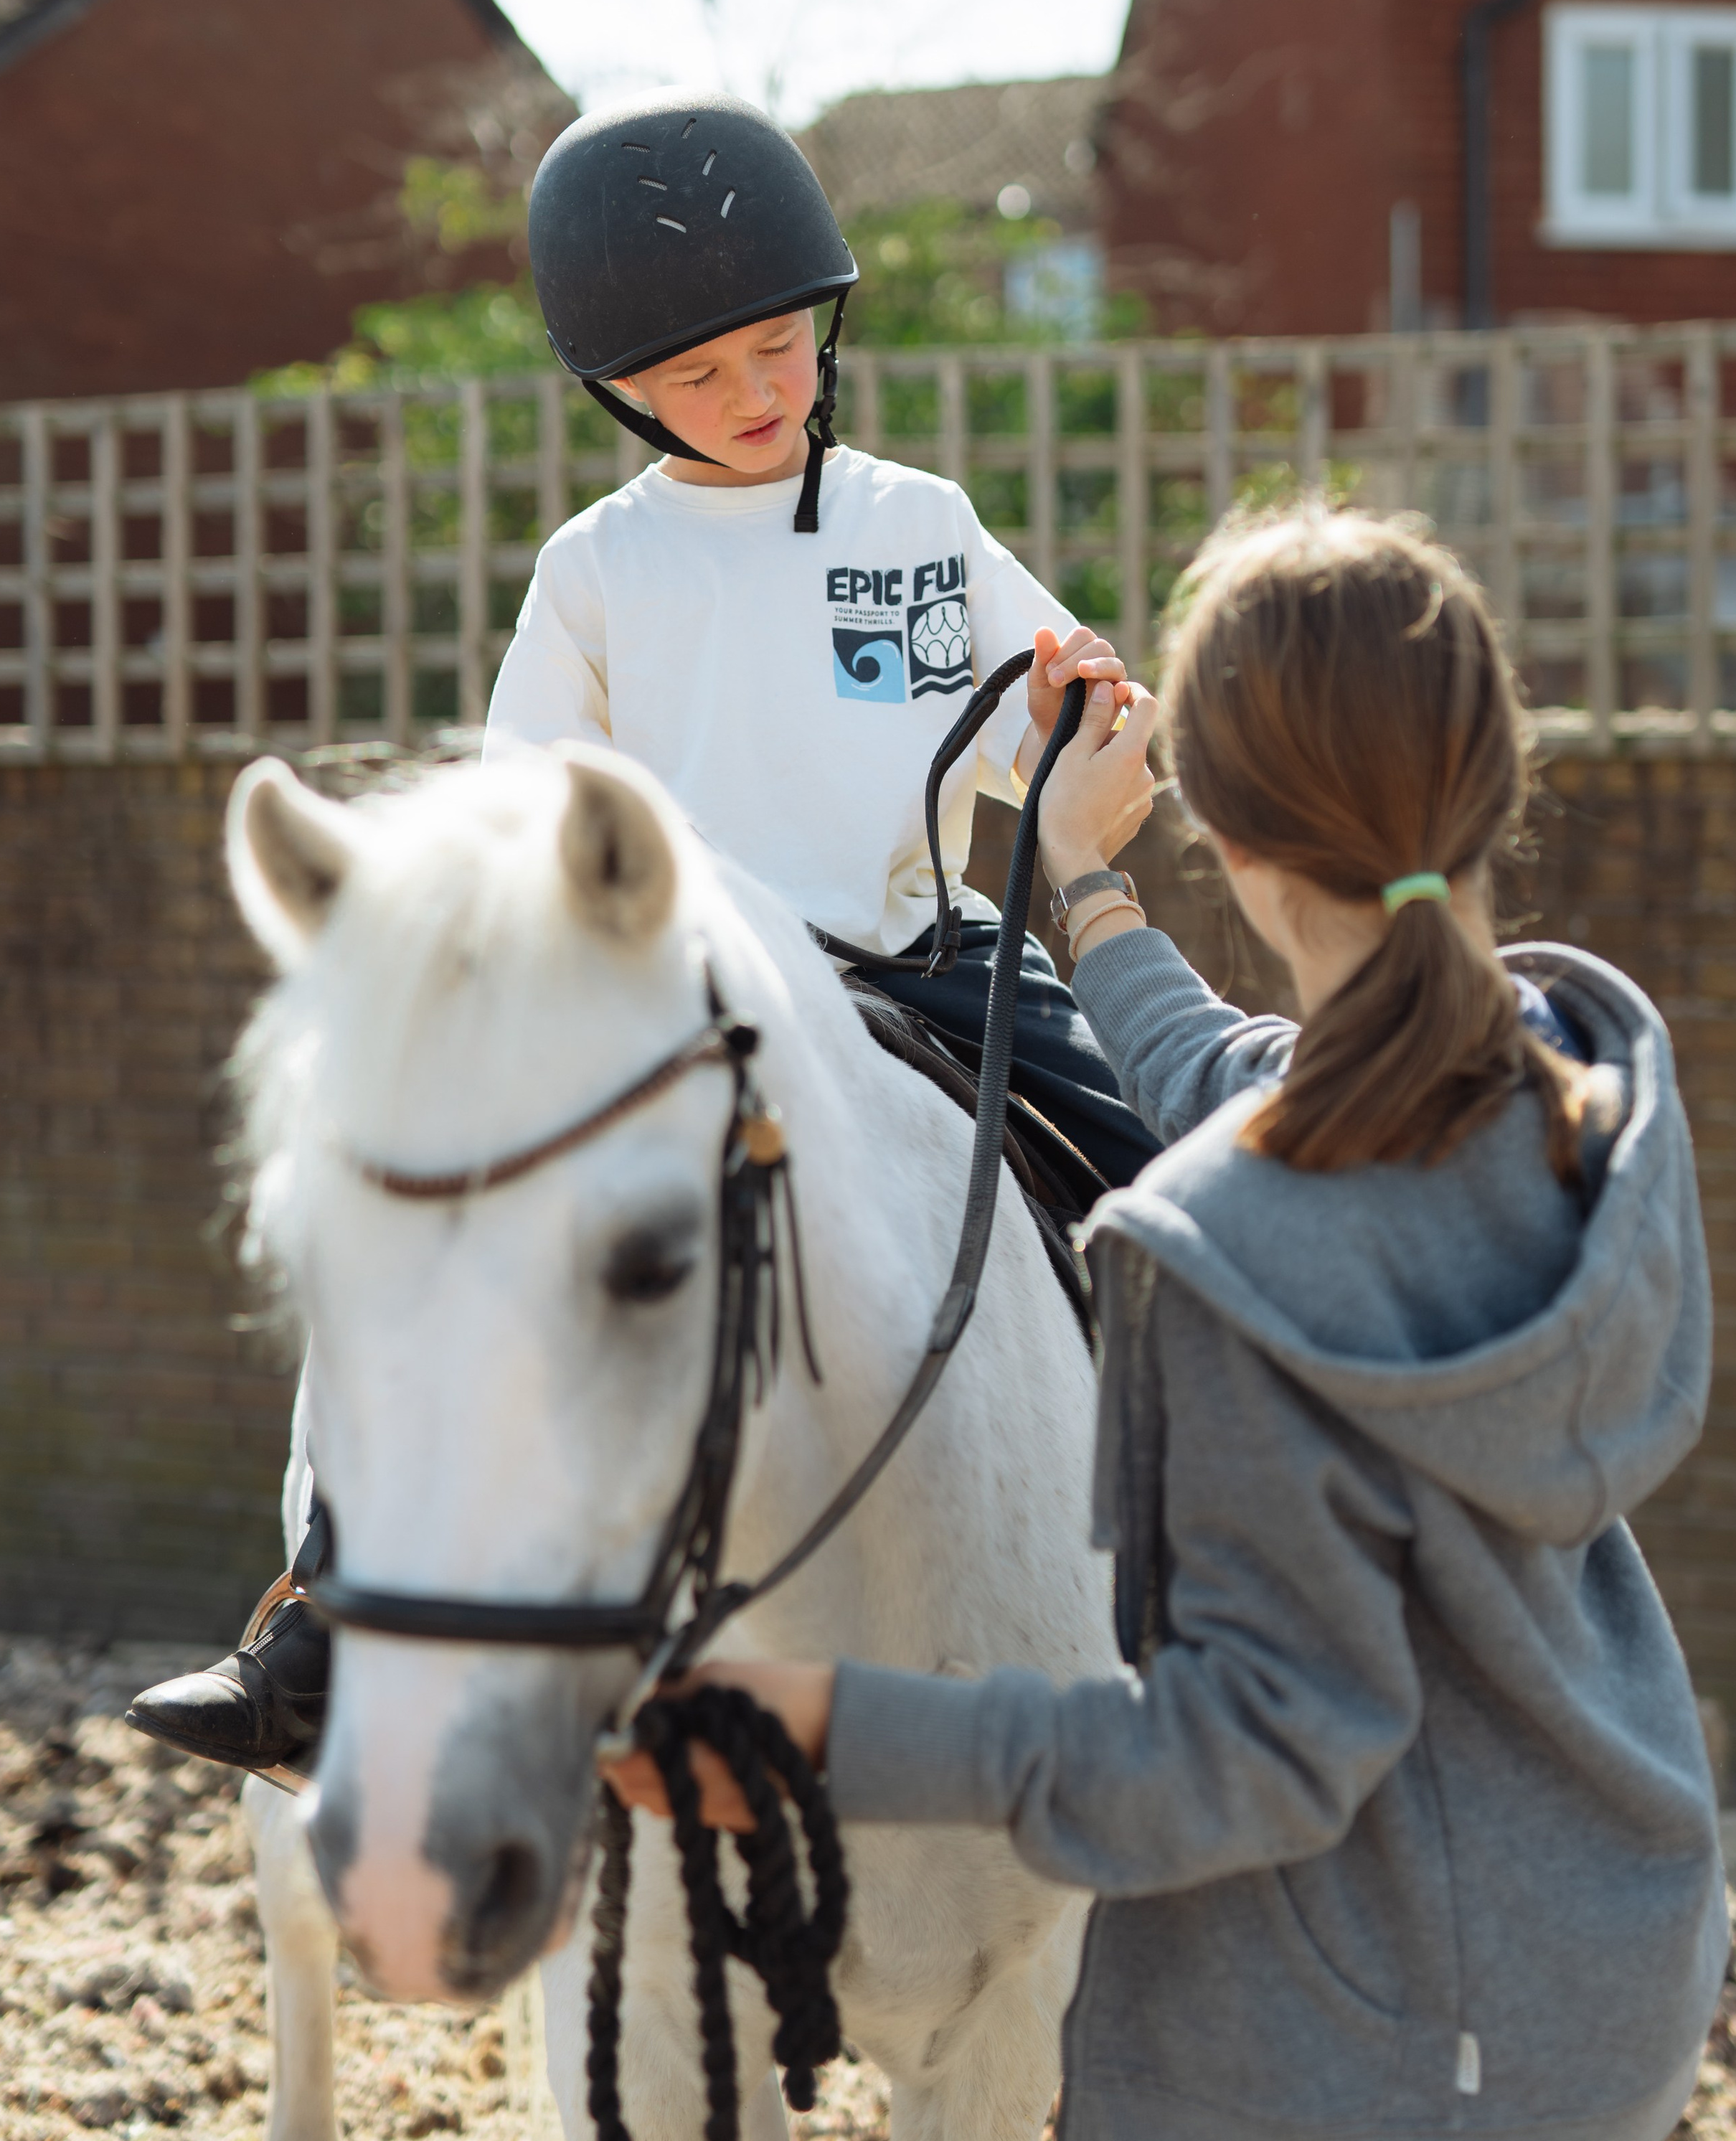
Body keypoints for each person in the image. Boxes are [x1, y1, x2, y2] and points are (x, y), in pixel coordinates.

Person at [618, 512, 1729, 2141]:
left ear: (1214, 814)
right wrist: (1084, 900)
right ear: (1488, 776)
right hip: (1600, 1958)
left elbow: (1240, 1763)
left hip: (1393, 2087)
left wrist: (831, 1730)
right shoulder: (1561, 1086)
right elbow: (1259, 1082)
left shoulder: (1232, 1260)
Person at [129, 86, 1159, 1777]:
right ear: (617, 389)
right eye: (697, 375)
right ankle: (318, 1614)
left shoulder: (922, 525)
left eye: (777, 349)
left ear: (824, 326)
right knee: (413, 1211)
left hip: (923, 956)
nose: (754, 395)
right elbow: (526, 811)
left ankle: (1241, 1558)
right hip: (680, 985)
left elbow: (1067, 718)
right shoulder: (595, 570)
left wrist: (1089, 713)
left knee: (1162, 1158)